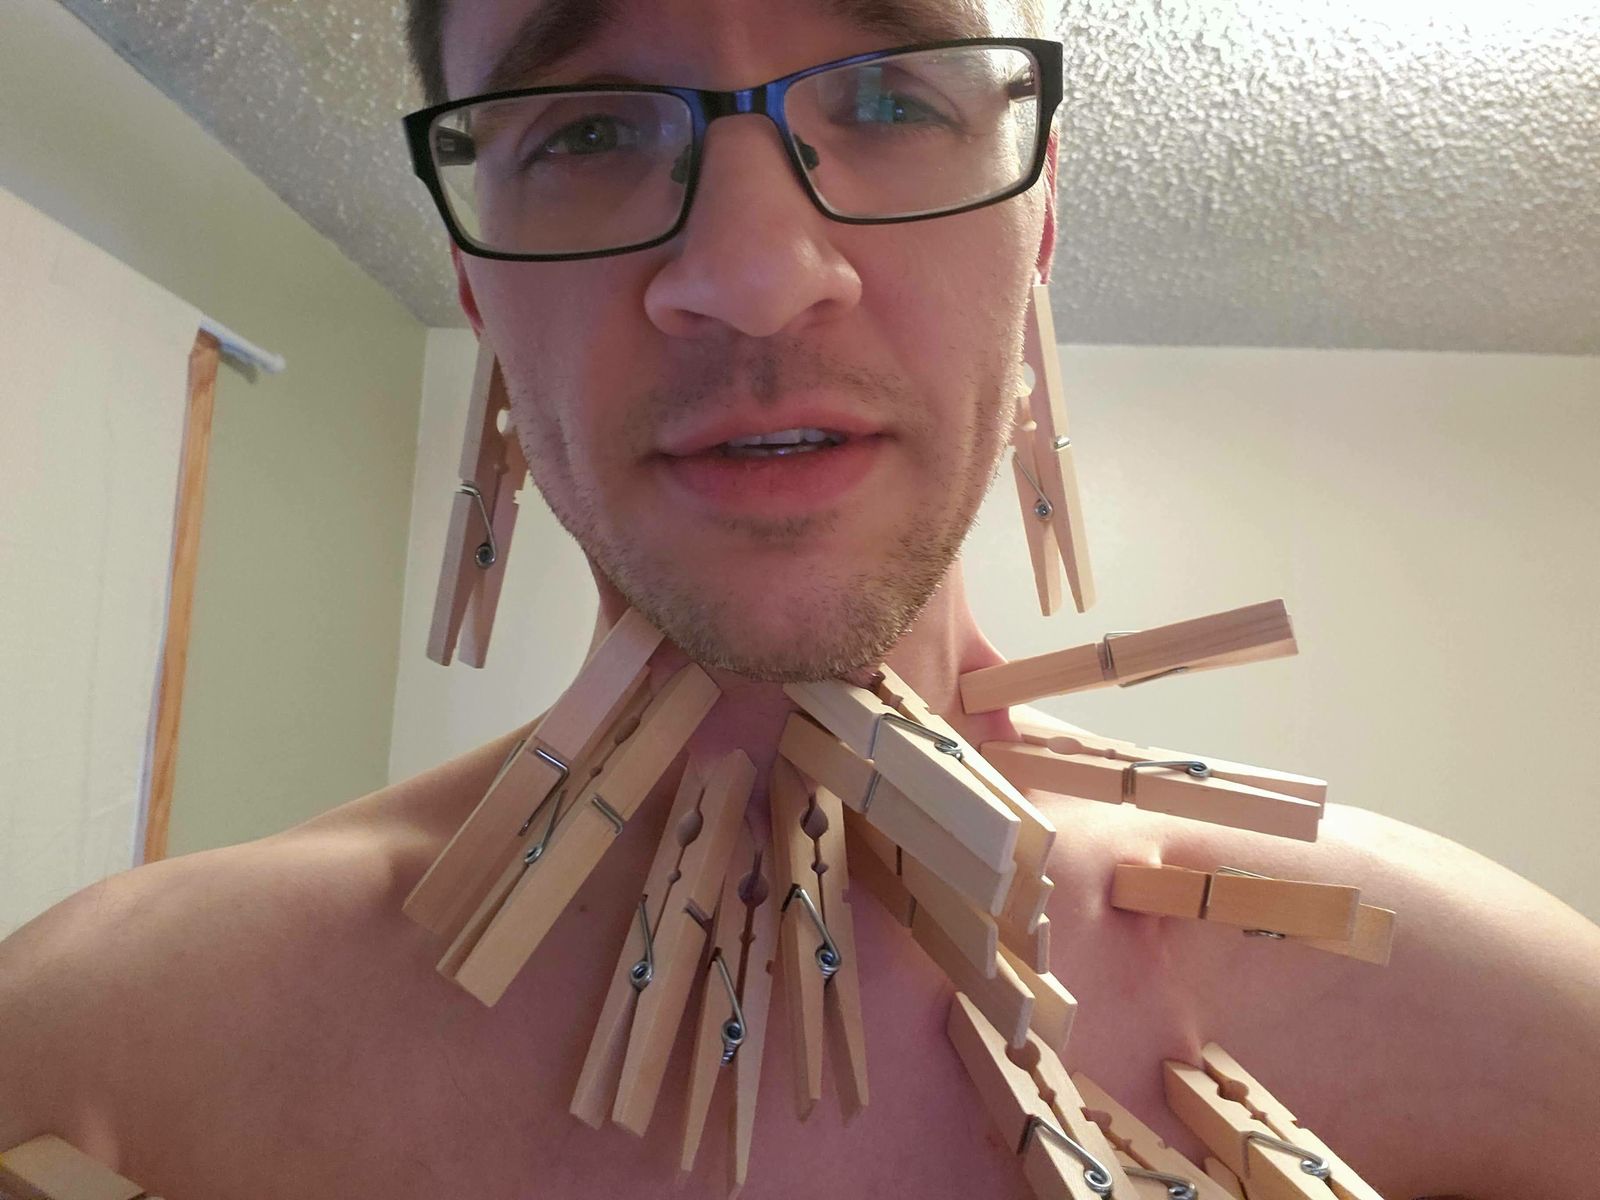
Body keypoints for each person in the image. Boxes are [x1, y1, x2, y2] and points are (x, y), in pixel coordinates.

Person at [3, 1, 1598, 1196]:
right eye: (590, 132)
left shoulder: (1496, 1037)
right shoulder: (105, 1054)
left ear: (1036, 224)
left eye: (894, 98)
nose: (756, 276)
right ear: (475, 281)